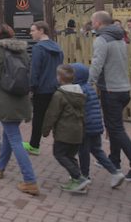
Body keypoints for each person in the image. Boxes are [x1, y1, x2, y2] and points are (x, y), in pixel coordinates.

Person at [88, 10, 131, 182]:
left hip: (111, 90)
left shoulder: (101, 40)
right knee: (114, 126)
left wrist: (88, 82)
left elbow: (97, 64)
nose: (92, 24)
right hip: (123, 88)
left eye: (93, 21)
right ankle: (114, 160)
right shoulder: (120, 38)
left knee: (116, 129)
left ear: (98, 23)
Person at [0, 24, 39, 196]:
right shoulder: (22, 51)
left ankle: (30, 180)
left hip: (4, 100)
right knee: (8, 135)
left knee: (14, 138)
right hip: (21, 100)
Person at [72, 63, 126, 189]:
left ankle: (84, 176)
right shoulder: (89, 87)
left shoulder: (79, 90)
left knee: (83, 151)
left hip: (86, 126)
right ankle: (115, 172)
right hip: (96, 125)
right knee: (97, 150)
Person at [41, 64, 88, 193]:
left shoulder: (59, 95)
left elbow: (52, 114)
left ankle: (79, 178)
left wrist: (45, 130)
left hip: (64, 132)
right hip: (78, 131)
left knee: (59, 154)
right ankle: (76, 181)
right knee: (70, 156)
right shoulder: (80, 92)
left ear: (59, 78)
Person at [24, 21, 63, 156]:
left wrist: (32, 87)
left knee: (38, 118)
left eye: (33, 30)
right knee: (57, 117)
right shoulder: (58, 48)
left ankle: (34, 145)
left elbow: (34, 70)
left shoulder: (38, 48)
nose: (31, 33)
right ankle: (61, 146)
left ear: (41, 31)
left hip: (41, 88)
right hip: (55, 88)